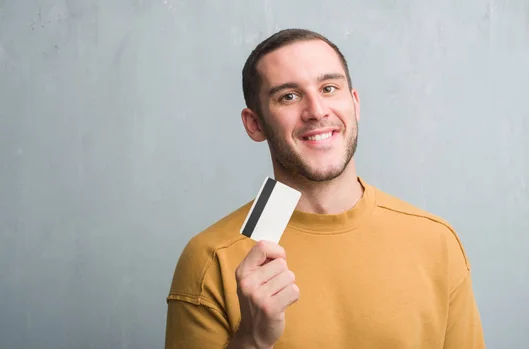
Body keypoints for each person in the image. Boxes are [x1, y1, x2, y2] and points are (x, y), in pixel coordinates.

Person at [164, 28, 485, 349]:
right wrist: (251, 339)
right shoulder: (211, 259)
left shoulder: (436, 242)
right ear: (255, 124)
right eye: (288, 96)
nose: (316, 111)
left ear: (355, 104)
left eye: (329, 88)